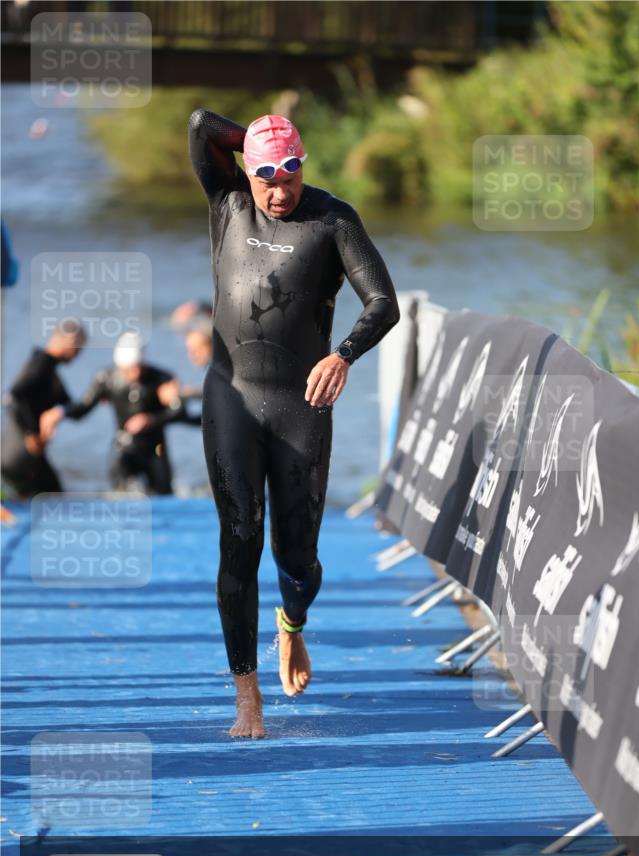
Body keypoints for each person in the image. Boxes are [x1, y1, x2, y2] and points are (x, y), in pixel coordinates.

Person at [189, 108, 400, 739]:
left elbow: (384, 302)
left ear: (305, 166)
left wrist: (343, 354)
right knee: (239, 539)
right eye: (266, 177)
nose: (280, 191)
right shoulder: (227, 203)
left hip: (301, 405)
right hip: (231, 396)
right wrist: (259, 137)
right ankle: (246, 696)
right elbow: (201, 124)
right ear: (247, 173)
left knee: (298, 557)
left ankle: (293, 624)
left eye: (290, 173)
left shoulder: (332, 219)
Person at [40, 332, 188, 495]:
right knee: (120, 495)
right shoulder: (106, 378)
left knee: (164, 495)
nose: (135, 373)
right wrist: (60, 411)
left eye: (138, 367)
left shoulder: (161, 378)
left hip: (156, 449)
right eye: (129, 369)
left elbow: (180, 411)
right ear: (119, 365)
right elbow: (83, 408)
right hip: (124, 447)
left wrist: (151, 419)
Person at [1, 320, 87, 497]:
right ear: (68, 340)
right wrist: (30, 434)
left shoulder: (50, 371)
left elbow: (72, 407)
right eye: (78, 347)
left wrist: (100, 393)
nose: (79, 354)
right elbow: (12, 398)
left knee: (52, 498)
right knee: (51, 500)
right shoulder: (41, 363)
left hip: (31, 456)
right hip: (18, 453)